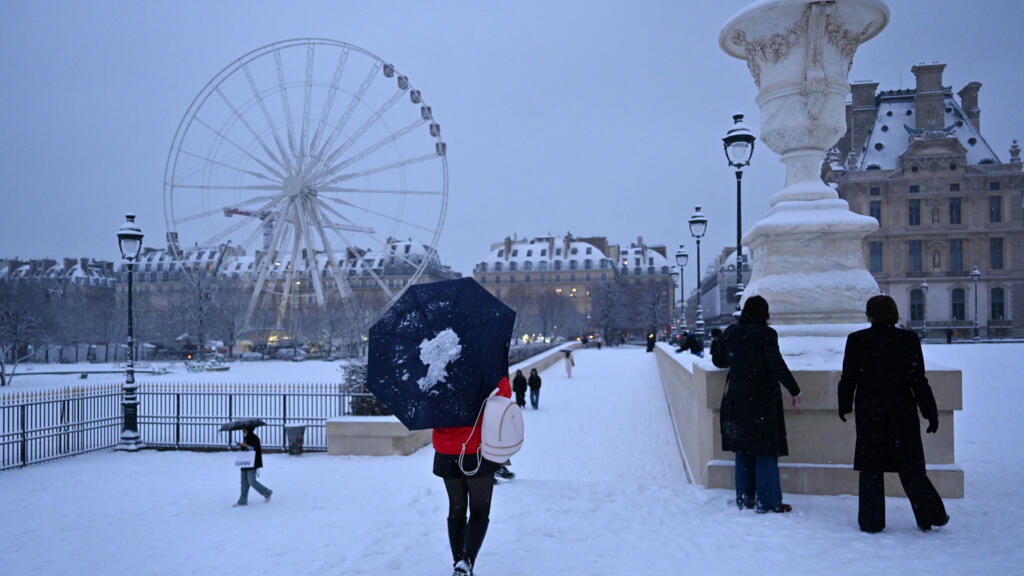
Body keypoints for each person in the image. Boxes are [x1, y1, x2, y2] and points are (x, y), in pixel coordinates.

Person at [838, 295, 949, 533]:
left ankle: (871, 521)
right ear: (895, 313)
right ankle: (930, 514)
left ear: (868, 314)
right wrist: (930, 412)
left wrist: (844, 405)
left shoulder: (857, 340)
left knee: (870, 469)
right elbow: (918, 380)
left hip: (869, 411)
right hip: (901, 410)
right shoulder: (907, 339)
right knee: (911, 467)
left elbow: (848, 378)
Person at [711, 296, 801, 513]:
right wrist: (794, 389)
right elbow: (776, 364)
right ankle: (768, 501)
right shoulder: (766, 335)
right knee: (766, 451)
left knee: (742, 450)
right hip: (762, 400)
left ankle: (745, 496)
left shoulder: (732, 333)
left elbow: (720, 361)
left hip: (737, 399)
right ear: (764, 313)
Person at [433, 375, 512, 576]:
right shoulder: (485, 366)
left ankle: (457, 562)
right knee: (479, 511)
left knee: (456, 509)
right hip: (474, 449)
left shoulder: (438, 370)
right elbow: (504, 396)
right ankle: (466, 562)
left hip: (445, 450)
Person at [234, 426, 272, 507]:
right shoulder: (246, 438)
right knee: (244, 482)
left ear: (248, 429)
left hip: (252, 463)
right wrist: (241, 446)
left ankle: (267, 493)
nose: (242, 430)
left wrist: (246, 446)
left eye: (244, 428)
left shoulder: (255, 438)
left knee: (252, 481)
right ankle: (242, 501)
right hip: (244, 462)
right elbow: (245, 449)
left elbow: (255, 450)